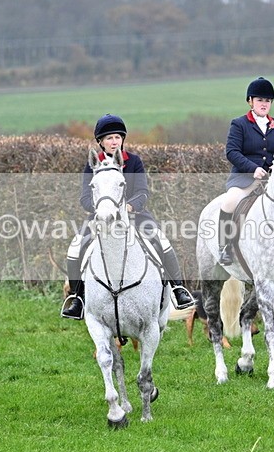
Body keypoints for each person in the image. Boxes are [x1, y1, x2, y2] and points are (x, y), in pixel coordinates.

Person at [61, 114, 195, 319]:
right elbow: (85, 198)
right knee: (76, 247)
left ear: (122, 139)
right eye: (109, 138)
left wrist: (130, 206)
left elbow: (142, 191)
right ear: (100, 142)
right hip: (101, 217)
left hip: (134, 216)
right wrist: (99, 209)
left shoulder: (133, 162)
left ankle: (178, 289)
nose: (114, 141)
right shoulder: (92, 165)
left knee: (162, 240)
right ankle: (77, 297)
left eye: (117, 137)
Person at [218, 77, 274, 265]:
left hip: (273, 181)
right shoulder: (239, 124)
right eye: (260, 100)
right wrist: (252, 168)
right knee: (230, 203)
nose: (264, 104)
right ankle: (225, 246)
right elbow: (232, 152)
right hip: (245, 179)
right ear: (250, 101)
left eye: (267, 101)